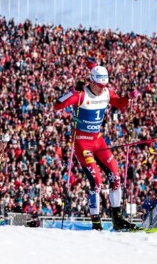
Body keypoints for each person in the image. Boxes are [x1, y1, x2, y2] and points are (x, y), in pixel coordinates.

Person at [53, 65, 139, 231]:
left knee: (116, 177)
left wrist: (128, 97)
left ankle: (117, 219)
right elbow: (57, 105)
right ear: (91, 81)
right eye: (99, 86)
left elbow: (119, 103)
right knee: (97, 182)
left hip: (98, 140)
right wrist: (72, 91)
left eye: (104, 85)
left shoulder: (106, 93)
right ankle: (96, 222)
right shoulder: (81, 94)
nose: (102, 89)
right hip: (82, 142)